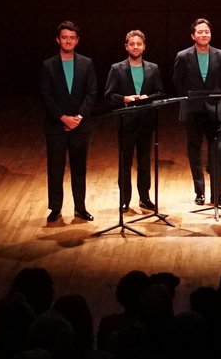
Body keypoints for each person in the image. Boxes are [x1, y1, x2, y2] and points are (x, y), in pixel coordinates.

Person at [37, 20, 98, 225]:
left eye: (72, 38)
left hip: (80, 126)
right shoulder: (48, 65)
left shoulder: (87, 63)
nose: (68, 41)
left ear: (77, 40)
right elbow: (45, 96)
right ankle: (55, 208)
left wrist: (78, 117)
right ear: (58, 39)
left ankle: (80, 208)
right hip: (56, 126)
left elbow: (91, 93)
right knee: (55, 168)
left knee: (79, 168)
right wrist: (62, 117)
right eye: (64, 37)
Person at [172, 17, 221, 209]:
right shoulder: (183, 56)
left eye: (206, 31)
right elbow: (177, 82)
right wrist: (190, 100)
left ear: (210, 34)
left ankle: (218, 195)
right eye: (200, 31)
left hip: (214, 110)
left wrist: (219, 101)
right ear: (193, 35)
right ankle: (199, 193)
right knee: (195, 152)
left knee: (217, 153)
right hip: (192, 111)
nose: (204, 34)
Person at [104, 29, 166, 215]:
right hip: (126, 123)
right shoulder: (117, 69)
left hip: (146, 122)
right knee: (125, 163)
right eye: (132, 44)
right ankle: (125, 200)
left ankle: (144, 197)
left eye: (139, 44)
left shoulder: (153, 68)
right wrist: (125, 98)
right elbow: (109, 95)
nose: (136, 47)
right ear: (126, 46)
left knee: (144, 161)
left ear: (144, 46)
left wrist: (149, 97)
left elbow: (161, 93)